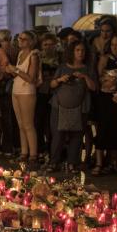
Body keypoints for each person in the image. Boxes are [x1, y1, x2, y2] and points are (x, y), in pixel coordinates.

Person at [48, 40, 96, 172]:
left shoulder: (88, 69)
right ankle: (54, 161)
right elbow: (51, 84)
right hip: (59, 106)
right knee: (58, 135)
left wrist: (84, 77)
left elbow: (93, 87)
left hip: (80, 107)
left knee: (77, 136)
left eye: (83, 50)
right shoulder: (63, 67)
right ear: (72, 52)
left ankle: (72, 162)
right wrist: (60, 80)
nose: (80, 53)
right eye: (77, 50)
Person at [93, 33, 117, 175]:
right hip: (105, 97)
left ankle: (114, 161)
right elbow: (98, 77)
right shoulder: (105, 58)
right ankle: (99, 162)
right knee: (102, 129)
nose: (115, 48)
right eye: (112, 45)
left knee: (116, 130)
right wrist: (108, 80)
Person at [7, 30, 41, 164]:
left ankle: (33, 154)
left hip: (27, 91)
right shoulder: (21, 54)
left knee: (28, 124)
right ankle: (24, 152)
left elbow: (31, 78)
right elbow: (18, 74)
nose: (20, 40)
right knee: (20, 124)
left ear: (31, 41)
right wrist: (11, 71)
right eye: (19, 38)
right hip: (16, 89)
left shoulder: (33, 55)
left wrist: (15, 70)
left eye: (24, 39)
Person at [36, 33, 60, 158]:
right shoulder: (38, 57)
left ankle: (52, 150)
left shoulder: (60, 58)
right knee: (39, 122)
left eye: (51, 44)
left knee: (52, 125)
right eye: (45, 44)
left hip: (55, 94)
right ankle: (40, 150)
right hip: (41, 93)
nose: (48, 47)